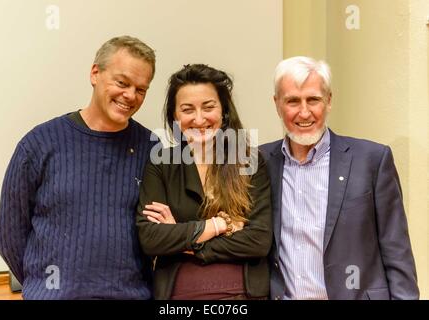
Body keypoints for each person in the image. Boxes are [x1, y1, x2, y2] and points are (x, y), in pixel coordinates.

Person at [0, 35, 156, 299]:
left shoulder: (151, 148)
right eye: (122, 83)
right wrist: (45, 287)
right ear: (95, 73)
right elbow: (9, 235)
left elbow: (158, 232)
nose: (130, 96)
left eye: (141, 89)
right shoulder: (39, 143)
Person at [260, 56, 419, 300]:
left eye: (313, 99)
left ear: (329, 101)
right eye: (292, 101)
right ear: (277, 104)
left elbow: (396, 250)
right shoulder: (260, 162)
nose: (304, 112)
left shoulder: (372, 160)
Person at [136, 64, 272, 300]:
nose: (199, 119)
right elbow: (151, 239)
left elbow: (258, 241)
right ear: (175, 117)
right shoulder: (161, 163)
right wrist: (220, 226)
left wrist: (185, 242)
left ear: (223, 111)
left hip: (243, 296)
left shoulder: (248, 160)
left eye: (208, 107)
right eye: (187, 109)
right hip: (178, 298)